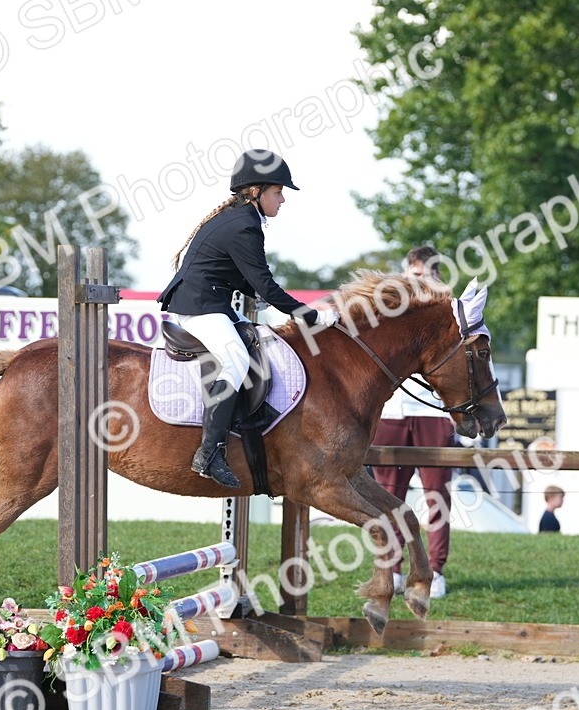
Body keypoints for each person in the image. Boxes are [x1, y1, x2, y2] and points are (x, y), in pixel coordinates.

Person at [158, 149, 339, 488]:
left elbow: (245, 280)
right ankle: (209, 453)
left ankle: (251, 423)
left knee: (262, 343)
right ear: (256, 191)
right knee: (237, 360)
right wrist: (312, 316)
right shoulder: (244, 225)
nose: (283, 199)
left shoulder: (242, 218)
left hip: (213, 301)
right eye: (277, 191)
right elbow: (265, 286)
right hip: (200, 305)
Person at [370, 246, 456, 600]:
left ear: (436, 276)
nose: (414, 280)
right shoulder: (391, 306)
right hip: (392, 413)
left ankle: (436, 570)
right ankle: (392, 567)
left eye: (421, 275)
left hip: (432, 414)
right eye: (410, 273)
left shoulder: (447, 308)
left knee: (437, 495)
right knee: (389, 497)